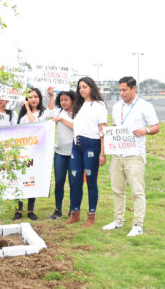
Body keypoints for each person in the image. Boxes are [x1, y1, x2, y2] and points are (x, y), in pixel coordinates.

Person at [103, 76, 160, 237]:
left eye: (124, 90)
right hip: (118, 154)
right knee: (117, 189)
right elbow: (115, 128)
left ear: (134, 88)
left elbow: (156, 127)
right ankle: (118, 221)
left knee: (137, 191)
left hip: (134, 154)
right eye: (119, 90)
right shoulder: (116, 107)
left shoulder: (145, 106)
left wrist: (145, 131)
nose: (121, 93)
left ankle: (138, 225)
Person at [67, 77, 108, 228]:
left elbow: (102, 129)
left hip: (92, 145)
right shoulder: (78, 105)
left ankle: (91, 215)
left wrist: (102, 153)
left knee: (91, 181)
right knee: (74, 180)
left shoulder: (99, 105)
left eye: (84, 86)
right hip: (76, 145)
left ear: (91, 87)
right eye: (79, 87)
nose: (81, 90)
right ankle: (75, 213)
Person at [13, 87, 55, 221]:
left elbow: (34, 124)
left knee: (32, 179)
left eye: (35, 96)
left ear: (40, 98)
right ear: (26, 99)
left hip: (37, 153)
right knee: (18, 179)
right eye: (30, 97)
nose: (33, 99)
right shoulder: (21, 115)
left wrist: (51, 96)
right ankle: (18, 209)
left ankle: (31, 210)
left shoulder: (42, 113)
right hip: (22, 152)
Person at [48, 90, 75, 220]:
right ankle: (58, 209)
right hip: (59, 153)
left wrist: (62, 120)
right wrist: (51, 96)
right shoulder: (58, 112)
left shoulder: (78, 113)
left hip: (74, 153)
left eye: (66, 100)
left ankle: (73, 210)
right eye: (61, 100)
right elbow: (48, 112)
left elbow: (77, 127)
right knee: (59, 182)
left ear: (73, 100)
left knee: (74, 182)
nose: (63, 102)